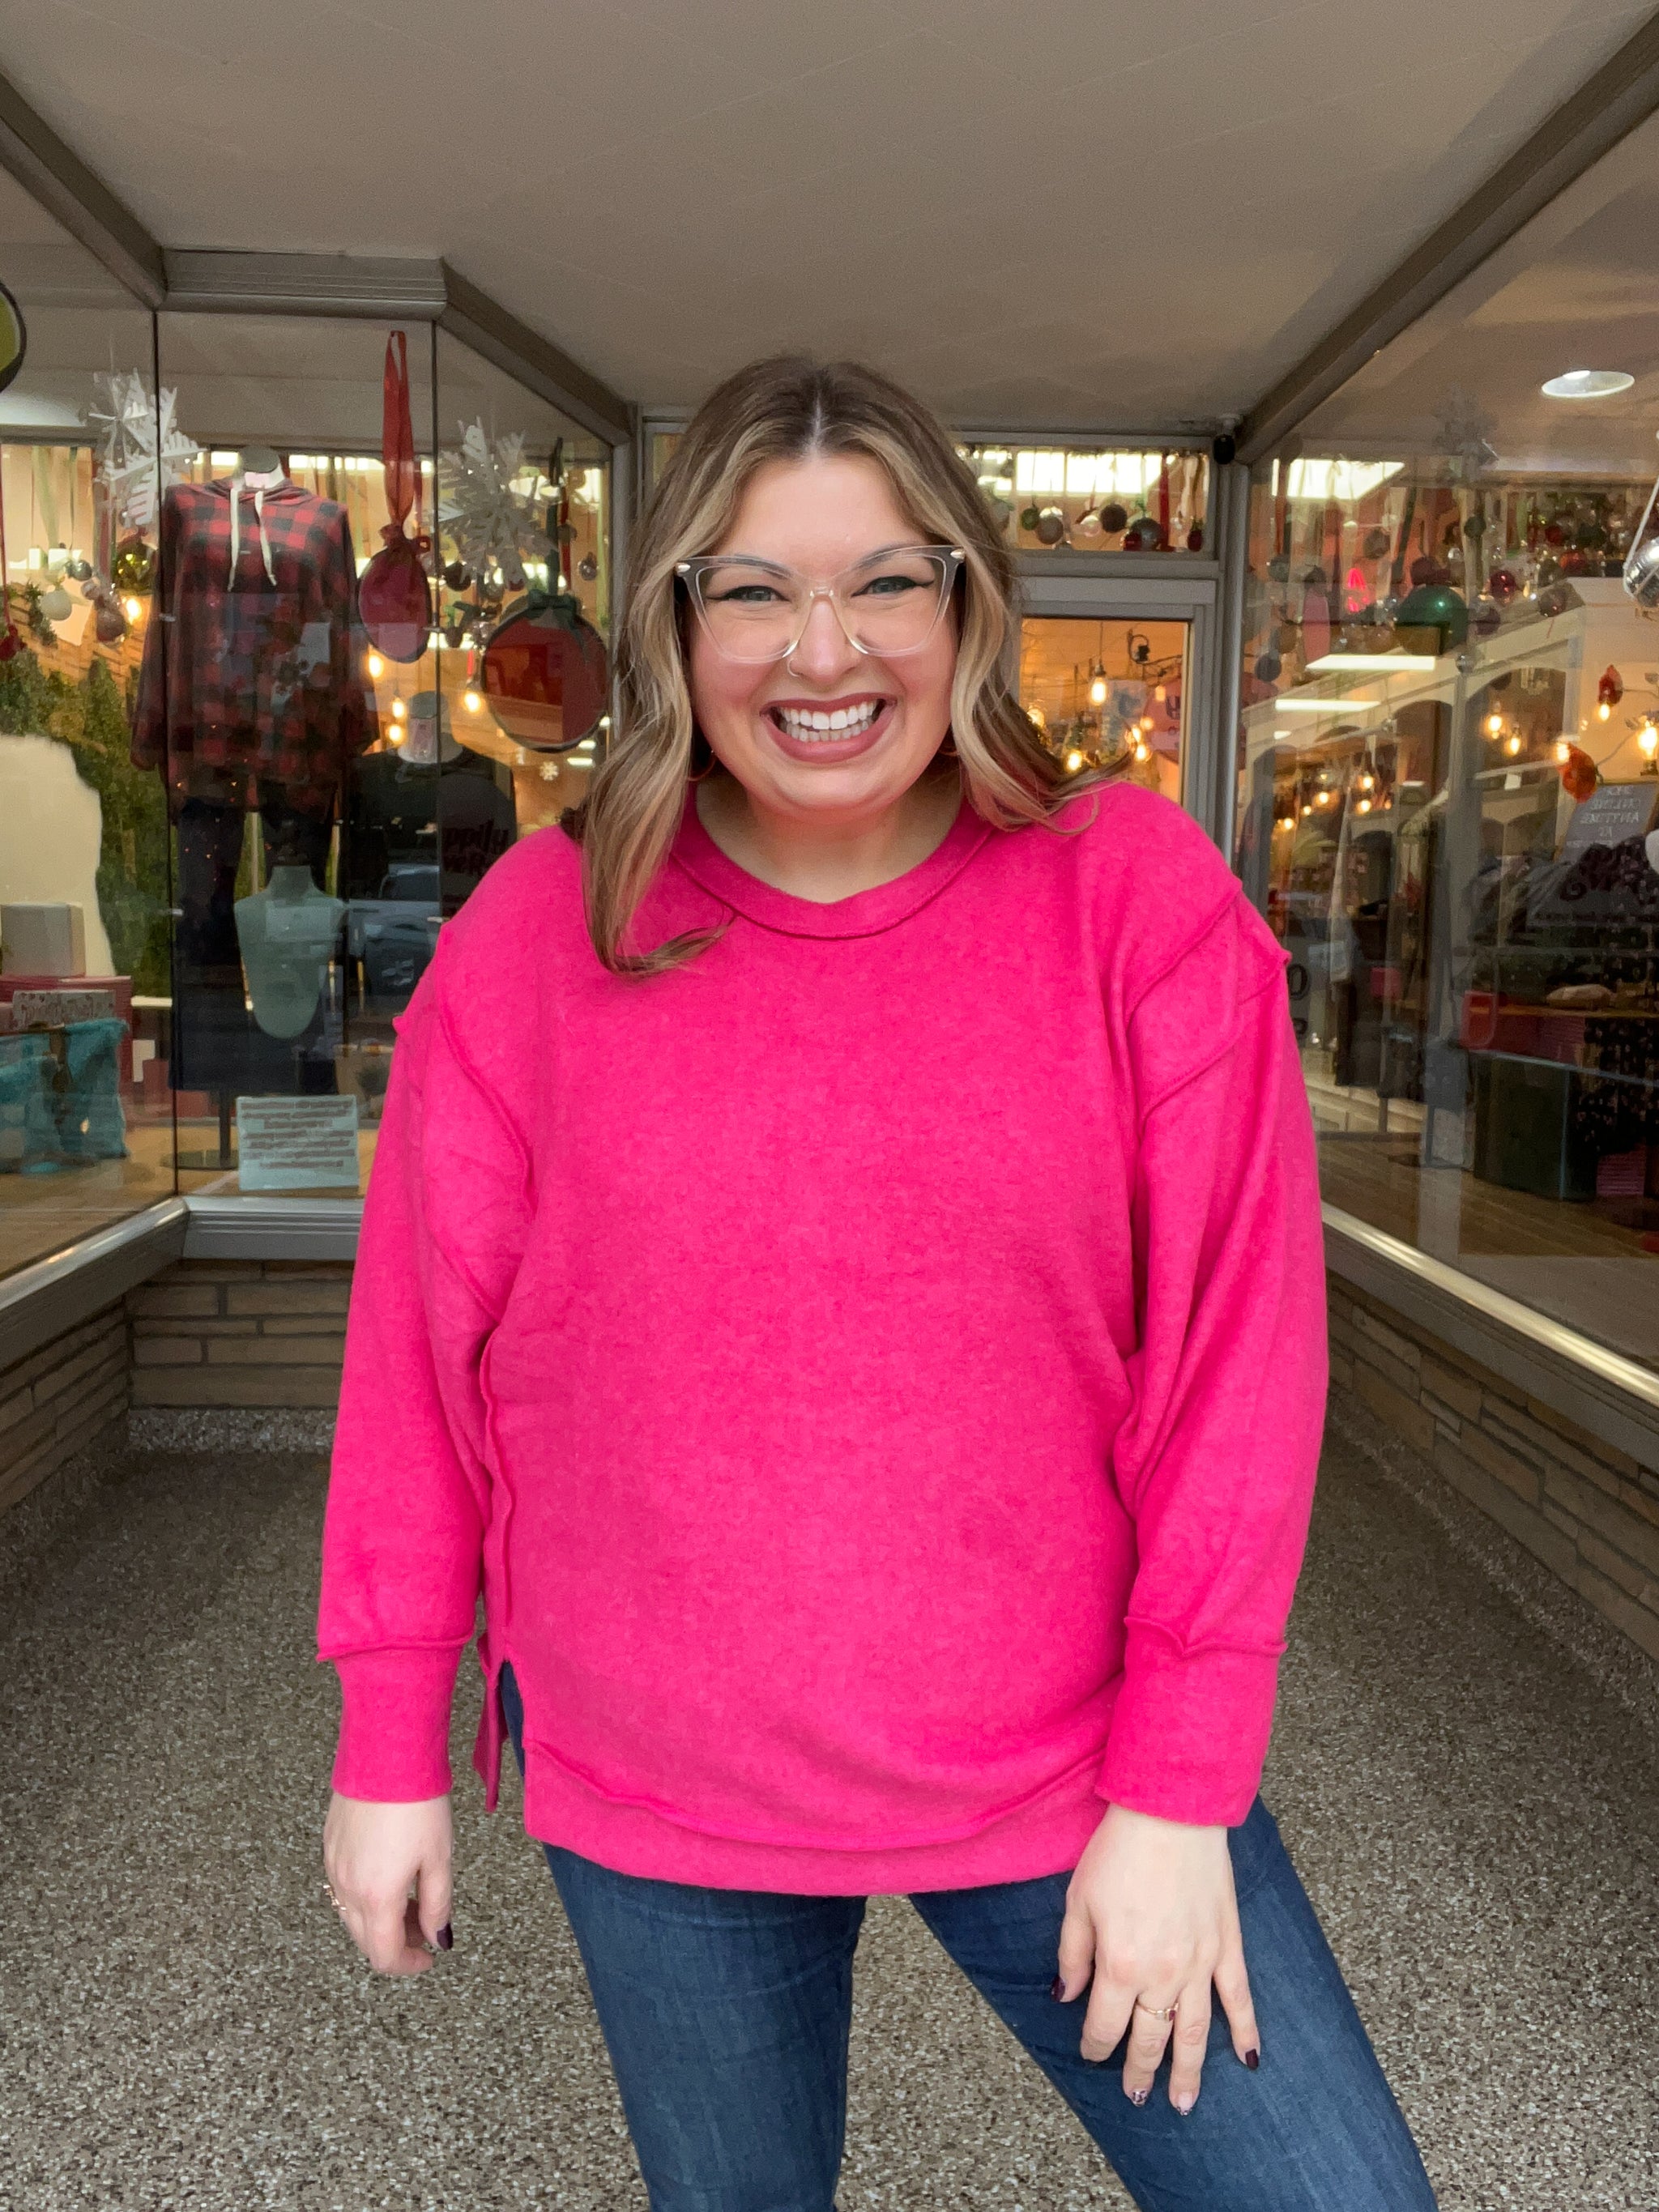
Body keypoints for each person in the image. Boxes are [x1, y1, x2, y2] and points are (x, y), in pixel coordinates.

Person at [318, 356, 1439, 2212]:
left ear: (965, 604)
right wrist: (388, 1740)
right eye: (755, 589)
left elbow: (1239, 1365)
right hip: (661, 1781)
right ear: (680, 623)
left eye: (883, 582)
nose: (821, 651)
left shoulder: (1126, 901)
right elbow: (417, 1360)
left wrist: (1180, 1788)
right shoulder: (541, 932)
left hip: (1074, 1758)